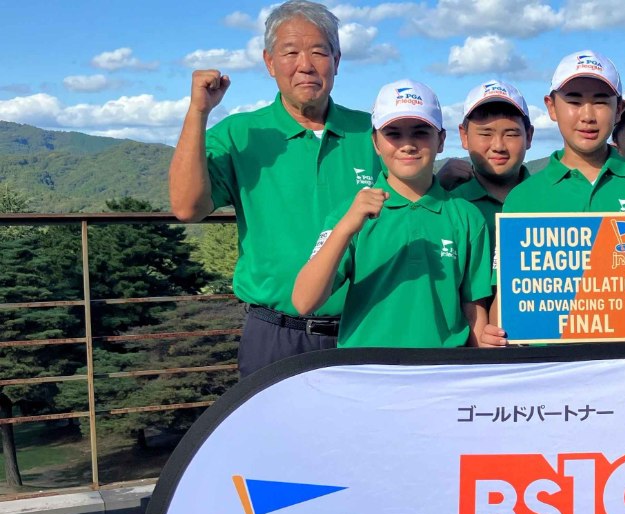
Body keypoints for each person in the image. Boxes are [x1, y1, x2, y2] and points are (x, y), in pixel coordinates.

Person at [169, 0, 380, 377]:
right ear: (269, 62)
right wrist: (198, 112)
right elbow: (187, 207)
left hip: (365, 329)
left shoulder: (374, 132)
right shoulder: (240, 134)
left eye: (319, 52)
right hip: (274, 334)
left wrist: (450, 176)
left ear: (337, 61)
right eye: (291, 52)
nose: (306, 65)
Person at [491, 50, 625, 344]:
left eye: (600, 102)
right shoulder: (522, 198)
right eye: (574, 102)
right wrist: (494, 333)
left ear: (619, 109)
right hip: (551, 365)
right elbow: (507, 299)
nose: (587, 116)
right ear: (551, 107)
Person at [292, 80, 492, 349]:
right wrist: (345, 228)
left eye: (420, 132)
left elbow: (473, 308)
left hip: (443, 367)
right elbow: (304, 301)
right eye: (393, 134)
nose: (407, 145)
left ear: (441, 140)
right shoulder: (350, 214)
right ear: (375, 142)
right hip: (366, 368)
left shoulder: (467, 217)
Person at [438, 80, 534, 232]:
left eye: (511, 134)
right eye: (485, 134)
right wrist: (434, 190)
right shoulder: (446, 200)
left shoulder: (547, 196)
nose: (498, 147)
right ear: (464, 136)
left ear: (528, 136)